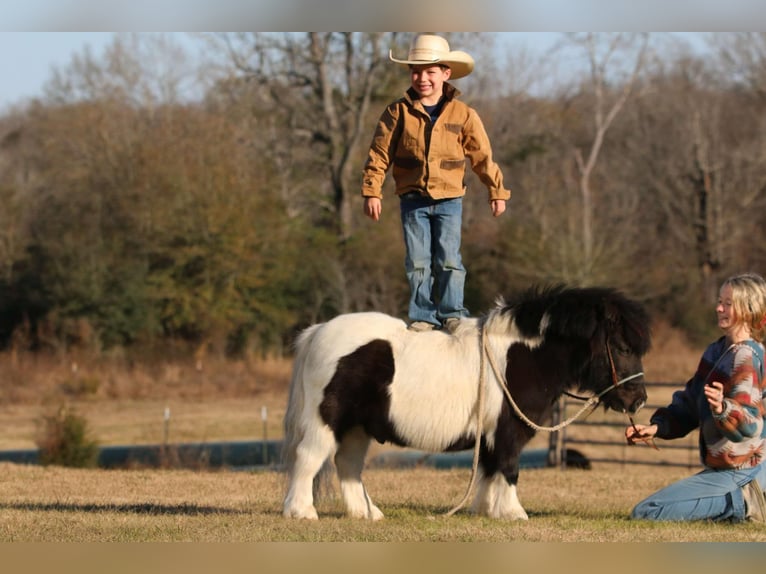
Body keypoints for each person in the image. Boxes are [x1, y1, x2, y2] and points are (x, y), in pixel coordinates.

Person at [361, 33, 510, 332]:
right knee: (417, 261)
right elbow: (378, 155)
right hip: (412, 199)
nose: (422, 78)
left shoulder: (464, 114)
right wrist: (371, 191)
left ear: (446, 73)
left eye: (430, 71)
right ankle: (423, 316)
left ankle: (453, 312)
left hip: (449, 200)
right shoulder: (397, 113)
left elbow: (482, 156)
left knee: (448, 260)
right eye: (416, 71)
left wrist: (496, 190)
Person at [626, 272, 766, 522]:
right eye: (719, 301)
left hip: (744, 471)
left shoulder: (746, 357)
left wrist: (724, 409)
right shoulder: (716, 351)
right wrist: (657, 427)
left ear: (748, 309)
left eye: (728, 303)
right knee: (648, 511)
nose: (718, 307)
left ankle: (748, 502)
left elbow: (750, 424)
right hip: (723, 470)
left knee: (648, 512)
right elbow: (691, 403)